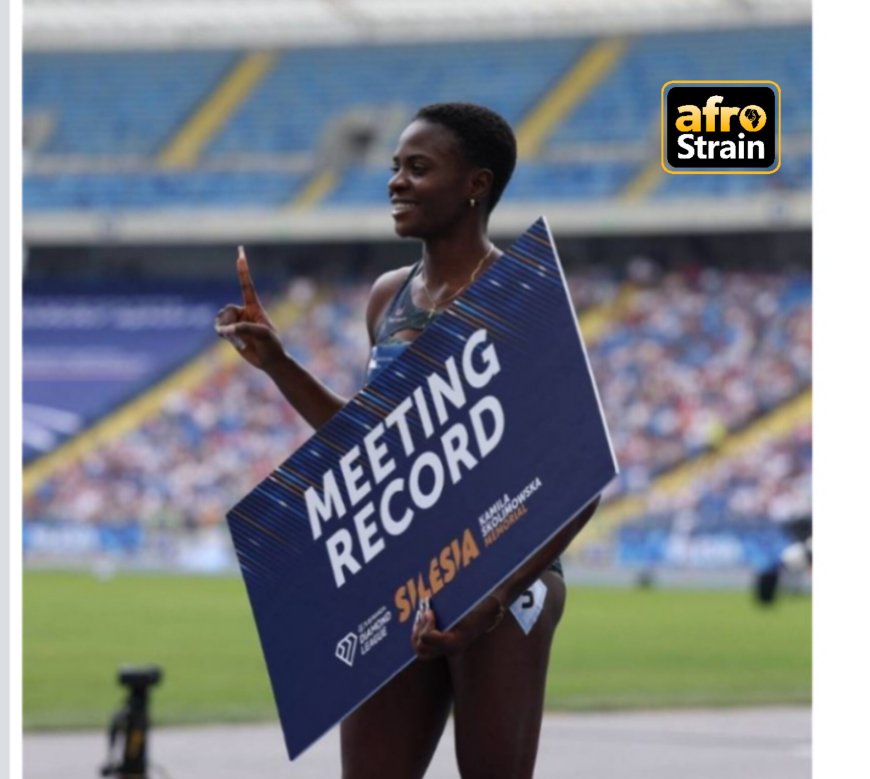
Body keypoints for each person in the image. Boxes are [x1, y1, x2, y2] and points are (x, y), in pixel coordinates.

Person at [215, 102, 599, 779]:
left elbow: (579, 483)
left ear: (476, 183)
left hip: (508, 571)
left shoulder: (523, 296)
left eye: (418, 168)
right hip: (402, 572)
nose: (396, 181)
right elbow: (370, 450)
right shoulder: (387, 298)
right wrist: (278, 362)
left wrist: (489, 603)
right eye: (395, 167)